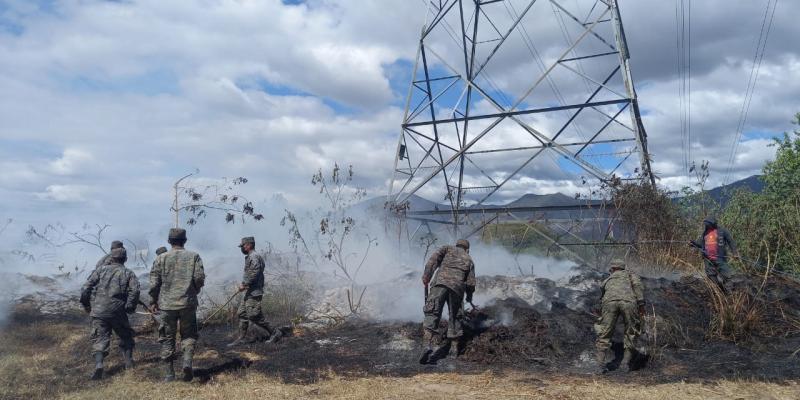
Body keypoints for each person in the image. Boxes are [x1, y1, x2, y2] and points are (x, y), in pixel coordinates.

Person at [149, 228, 205, 382]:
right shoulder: (194, 256)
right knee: (188, 335)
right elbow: (199, 278)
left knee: (167, 338)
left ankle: (169, 374)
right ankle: (187, 363)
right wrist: (194, 290)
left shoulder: (161, 258)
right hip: (187, 303)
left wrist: (153, 301)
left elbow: (154, 283)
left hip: (167, 306)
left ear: (169, 241)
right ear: (185, 240)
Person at [80, 247, 140, 380]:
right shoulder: (128, 273)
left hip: (99, 311)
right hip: (118, 311)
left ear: (111, 258)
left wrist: (87, 304)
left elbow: (85, 288)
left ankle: (99, 364)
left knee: (100, 339)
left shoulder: (100, 270)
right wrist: (130, 306)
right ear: (125, 259)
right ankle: (129, 363)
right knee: (126, 336)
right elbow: (135, 291)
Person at [419, 239, 476, 365]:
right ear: (467, 249)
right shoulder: (469, 259)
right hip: (457, 289)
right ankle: (453, 350)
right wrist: (469, 297)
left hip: (439, 284)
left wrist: (426, 277)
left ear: (457, 245)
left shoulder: (447, 248)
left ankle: (426, 345)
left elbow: (432, 262)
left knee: (432, 313)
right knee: (456, 316)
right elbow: (471, 283)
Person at [227, 237, 282, 347]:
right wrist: (245, 285)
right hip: (250, 291)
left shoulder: (254, 257)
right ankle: (241, 338)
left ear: (249, 245)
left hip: (255, 292)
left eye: (243, 246)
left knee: (254, 315)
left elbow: (255, 272)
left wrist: (245, 284)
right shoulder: (250, 257)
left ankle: (275, 332)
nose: (242, 248)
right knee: (242, 313)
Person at [594, 259, 644, 374]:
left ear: (612, 268)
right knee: (631, 331)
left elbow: (602, 293)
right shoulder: (631, 276)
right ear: (623, 268)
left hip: (609, 302)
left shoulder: (608, 278)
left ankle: (599, 365)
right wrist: (641, 305)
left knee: (604, 332)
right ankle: (625, 365)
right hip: (628, 302)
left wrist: (600, 310)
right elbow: (637, 286)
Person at [690, 216, 738, 292]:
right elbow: (700, 243)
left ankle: (731, 292)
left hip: (720, 258)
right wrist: (693, 243)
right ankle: (721, 291)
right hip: (708, 260)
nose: (706, 225)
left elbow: (731, 241)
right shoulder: (705, 233)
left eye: (708, 224)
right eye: (706, 224)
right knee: (711, 277)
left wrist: (735, 253)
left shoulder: (722, 231)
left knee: (728, 275)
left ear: (713, 224)